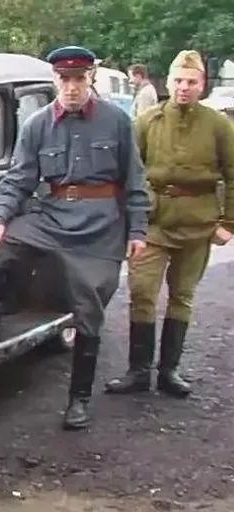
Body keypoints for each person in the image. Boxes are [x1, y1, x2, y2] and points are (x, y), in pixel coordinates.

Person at [0, 45, 149, 430]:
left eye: (79, 79)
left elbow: (135, 180)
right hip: (51, 216)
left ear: (90, 79)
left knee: (88, 306)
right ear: (55, 80)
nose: (71, 87)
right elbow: (19, 178)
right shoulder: (37, 124)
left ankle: (79, 400)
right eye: (64, 79)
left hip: (100, 226)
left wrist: (137, 230)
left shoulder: (116, 121)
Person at [105, 50, 234, 399]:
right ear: (170, 81)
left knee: (182, 297)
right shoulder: (148, 120)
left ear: (202, 84)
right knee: (142, 293)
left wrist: (228, 223)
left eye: (191, 82)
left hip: (198, 223)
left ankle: (169, 372)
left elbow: (233, 175)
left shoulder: (219, 125)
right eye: (178, 80)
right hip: (153, 222)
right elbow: (128, 172)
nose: (183, 88)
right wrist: (128, 219)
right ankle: (138, 371)